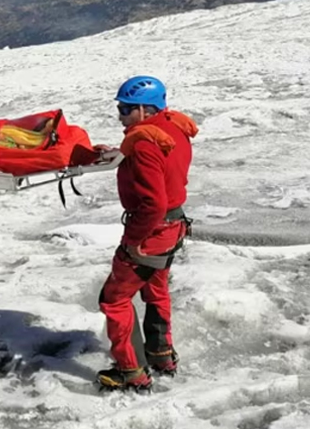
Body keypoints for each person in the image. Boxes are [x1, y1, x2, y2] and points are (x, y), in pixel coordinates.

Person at [96, 75, 199, 391]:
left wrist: (134, 242)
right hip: (174, 226)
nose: (121, 116)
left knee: (114, 299)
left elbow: (152, 203)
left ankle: (130, 371)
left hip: (153, 232)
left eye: (125, 109)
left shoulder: (143, 143)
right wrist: (120, 152)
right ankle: (160, 354)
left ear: (143, 109)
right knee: (156, 290)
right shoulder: (172, 128)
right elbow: (161, 161)